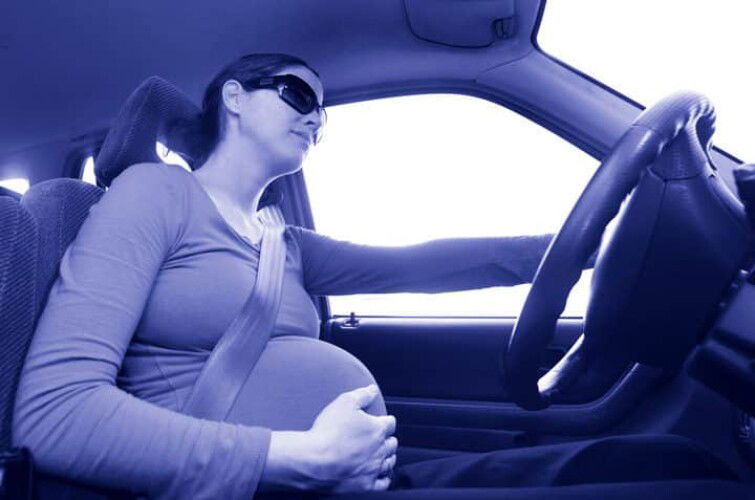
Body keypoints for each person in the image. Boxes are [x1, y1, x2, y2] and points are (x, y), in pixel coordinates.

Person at [11, 54, 737, 500]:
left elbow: (428, 261)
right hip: (261, 483)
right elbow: (52, 415)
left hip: (345, 474)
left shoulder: (283, 240)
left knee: (671, 460)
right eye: (298, 95)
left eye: (322, 114)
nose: (315, 118)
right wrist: (296, 459)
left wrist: (601, 244)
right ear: (233, 96)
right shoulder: (155, 194)